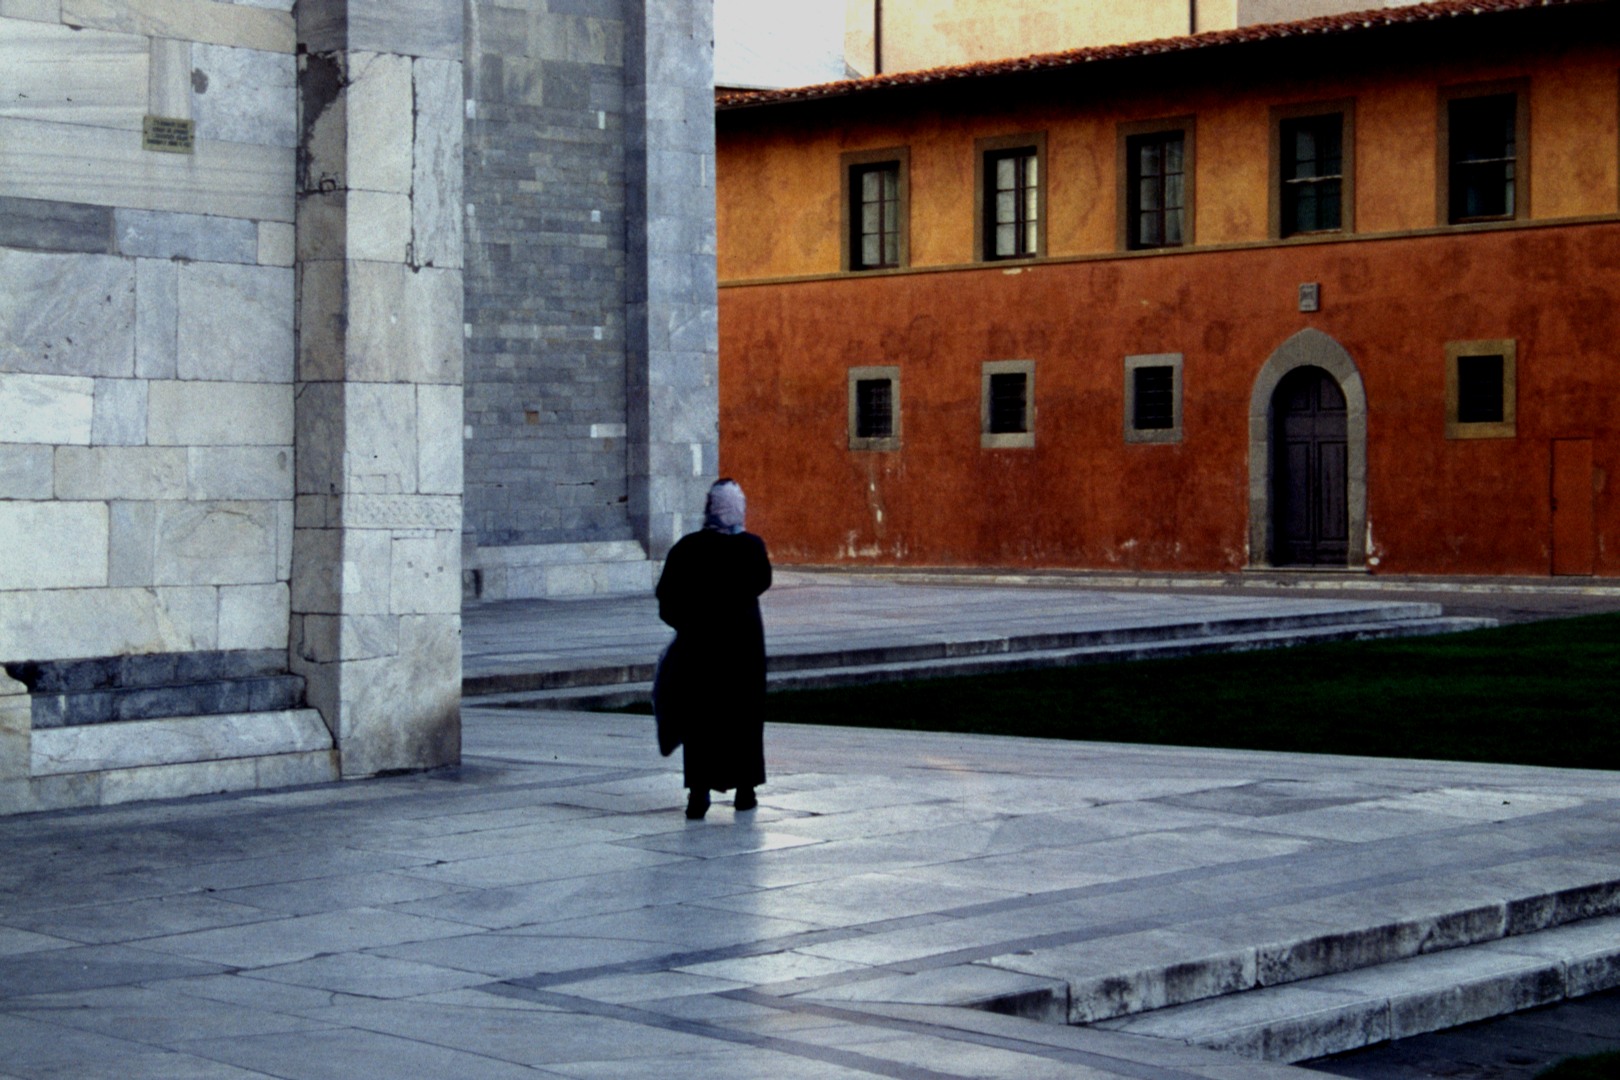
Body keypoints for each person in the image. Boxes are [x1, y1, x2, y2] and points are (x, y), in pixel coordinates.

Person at [654, 478, 772, 820]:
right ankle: (745, 790)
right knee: (744, 719)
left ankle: (699, 793)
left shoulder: (688, 549)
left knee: (701, 719)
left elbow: (667, 598)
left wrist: (688, 625)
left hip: (700, 651)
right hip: (744, 653)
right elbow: (762, 581)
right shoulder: (752, 547)